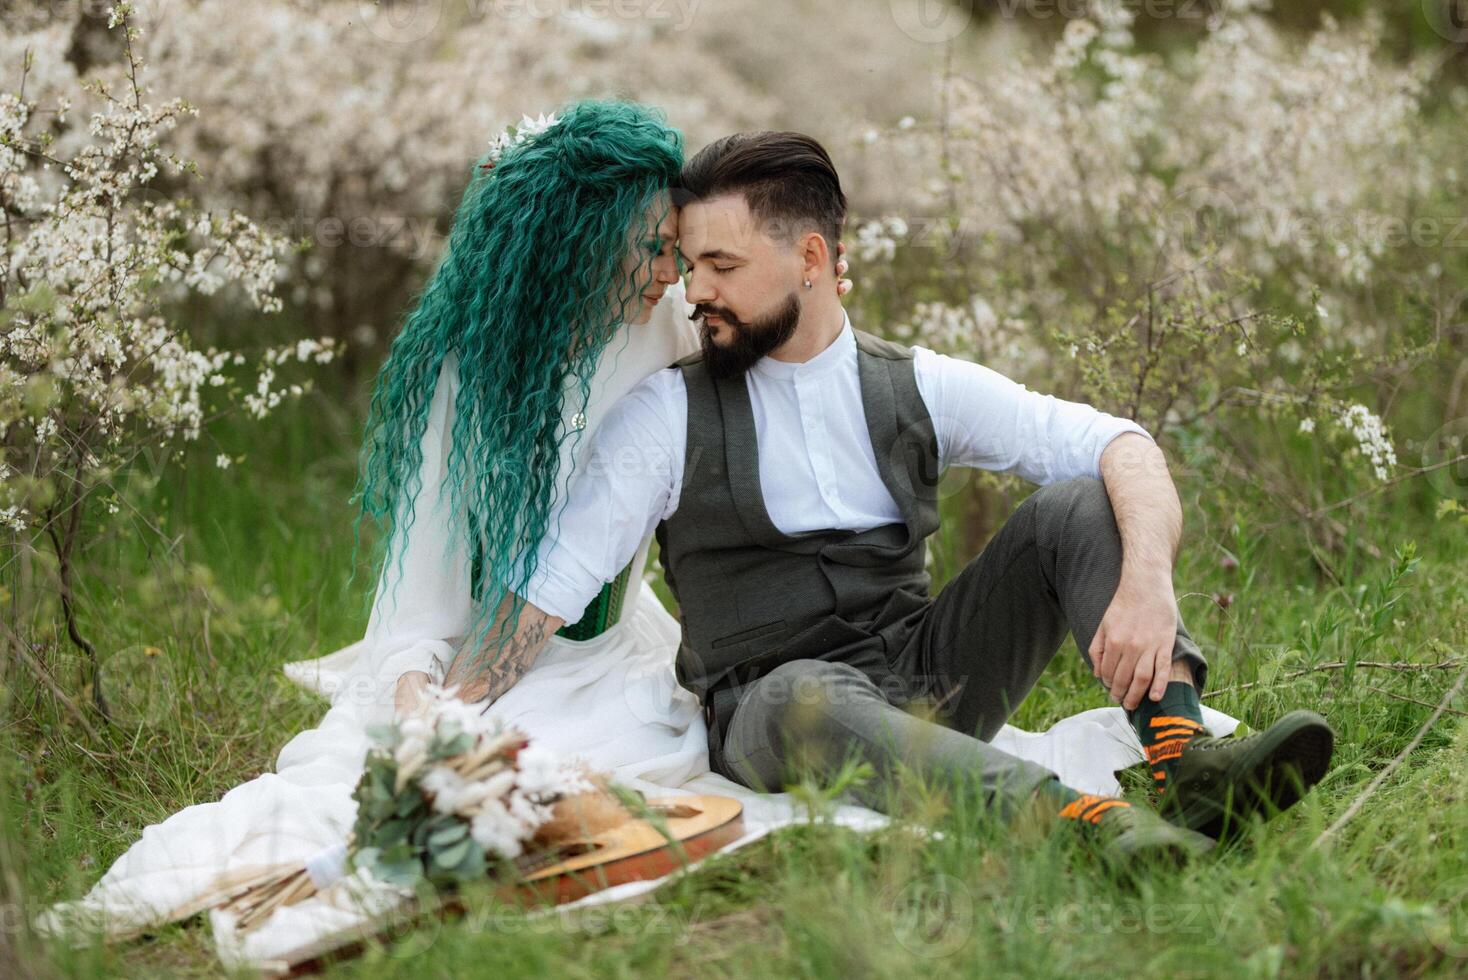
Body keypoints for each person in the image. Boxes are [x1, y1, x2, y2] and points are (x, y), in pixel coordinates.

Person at [428, 130, 1337, 863]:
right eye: (688, 264)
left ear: (811, 257)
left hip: (929, 680)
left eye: (721, 265)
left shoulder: (920, 385)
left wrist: (1148, 583)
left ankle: (1187, 764)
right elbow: (546, 590)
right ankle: (1080, 825)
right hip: (772, 713)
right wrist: (436, 712)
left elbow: (1123, 445)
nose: (695, 291)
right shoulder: (666, 416)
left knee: (1083, 500)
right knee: (798, 697)